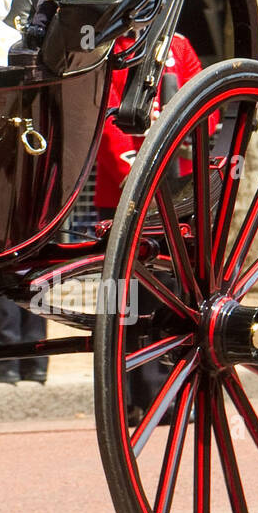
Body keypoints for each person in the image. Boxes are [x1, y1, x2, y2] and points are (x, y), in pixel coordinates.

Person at [96, 31, 203, 421]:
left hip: (175, 187)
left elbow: (201, 103)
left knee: (170, 296)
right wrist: (135, 172)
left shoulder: (178, 46)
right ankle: (124, 398)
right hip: (124, 189)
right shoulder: (111, 48)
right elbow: (104, 118)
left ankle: (166, 394)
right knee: (122, 301)